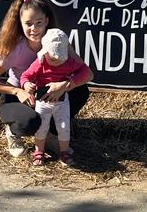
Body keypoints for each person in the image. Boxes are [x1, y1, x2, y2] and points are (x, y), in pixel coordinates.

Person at [0, 0, 90, 158]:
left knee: (81, 91)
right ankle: (13, 132)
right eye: (28, 24)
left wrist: (65, 85)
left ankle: (50, 134)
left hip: (47, 94)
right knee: (30, 122)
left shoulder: (58, 43)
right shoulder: (16, 50)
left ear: (47, 21)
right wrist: (17, 91)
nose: (34, 29)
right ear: (20, 23)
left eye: (39, 23)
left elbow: (87, 73)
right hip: (18, 96)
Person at [20, 28, 93, 167]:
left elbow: (85, 72)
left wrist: (70, 81)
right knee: (41, 127)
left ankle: (64, 152)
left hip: (62, 101)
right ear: (45, 52)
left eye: (60, 59)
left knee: (64, 127)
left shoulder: (69, 63)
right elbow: (25, 75)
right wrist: (26, 84)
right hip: (43, 101)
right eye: (53, 58)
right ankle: (39, 151)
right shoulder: (40, 62)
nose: (56, 62)